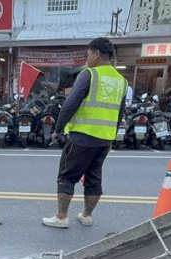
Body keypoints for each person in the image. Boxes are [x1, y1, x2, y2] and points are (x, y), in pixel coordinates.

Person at [44, 37, 127, 229]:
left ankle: (61, 216)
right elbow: (120, 112)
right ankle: (87, 215)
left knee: (67, 176)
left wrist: (57, 130)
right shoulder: (121, 81)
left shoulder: (89, 74)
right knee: (94, 177)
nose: (86, 58)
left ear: (96, 54)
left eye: (88, 54)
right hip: (105, 139)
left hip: (82, 136)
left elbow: (70, 104)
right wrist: (112, 136)